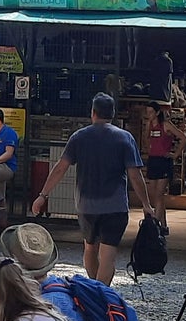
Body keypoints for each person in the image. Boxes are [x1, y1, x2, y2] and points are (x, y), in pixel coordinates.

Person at [31, 92, 156, 286]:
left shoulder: (79, 137)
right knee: (108, 256)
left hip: (86, 206)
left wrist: (42, 195)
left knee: (89, 249)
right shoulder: (125, 138)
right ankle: (101, 291)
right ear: (112, 114)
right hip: (115, 206)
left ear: (93, 113)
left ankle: (94, 289)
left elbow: (60, 168)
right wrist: (146, 204)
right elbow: (135, 175)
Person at [144, 105, 185, 226]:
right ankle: (163, 224)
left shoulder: (166, 125)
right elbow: (146, 138)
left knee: (159, 194)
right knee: (155, 195)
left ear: (157, 113)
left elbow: (183, 138)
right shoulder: (149, 125)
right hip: (153, 160)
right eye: (147, 112)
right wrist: (149, 149)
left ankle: (156, 222)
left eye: (151, 112)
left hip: (164, 161)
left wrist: (175, 154)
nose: (149, 115)